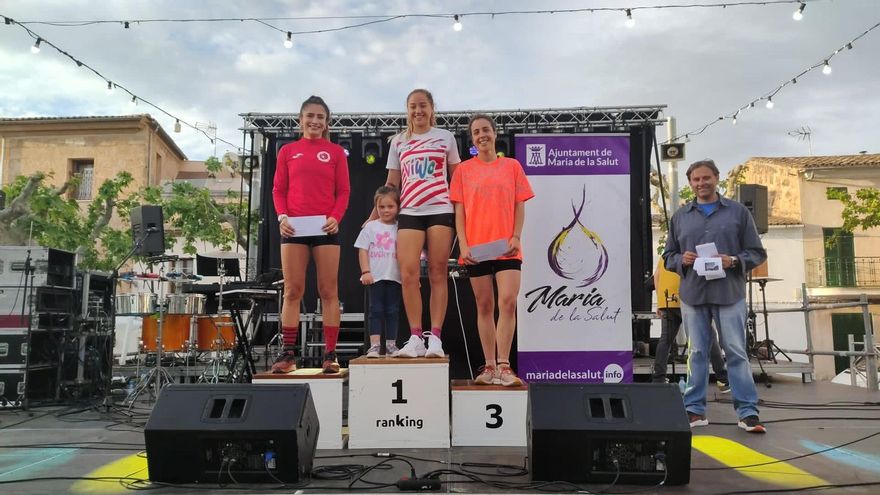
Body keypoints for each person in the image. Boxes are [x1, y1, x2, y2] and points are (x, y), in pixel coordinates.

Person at [663, 159, 767, 433]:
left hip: (729, 293)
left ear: (716, 178)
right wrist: (680, 260)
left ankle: (747, 412)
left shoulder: (738, 213)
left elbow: (757, 253)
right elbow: (667, 257)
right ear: (690, 184)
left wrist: (732, 260)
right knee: (696, 353)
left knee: (735, 352)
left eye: (706, 178)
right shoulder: (680, 216)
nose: (701, 183)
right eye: (696, 180)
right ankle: (694, 411)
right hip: (693, 294)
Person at [369, 89, 461, 358]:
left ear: (432, 108)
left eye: (423, 105)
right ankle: (415, 337)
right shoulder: (398, 141)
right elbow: (391, 183)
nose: (418, 111)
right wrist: (373, 217)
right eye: (413, 106)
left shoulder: (446, 138)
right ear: (407, 110)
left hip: (441, 209)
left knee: (437, 272)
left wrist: (461, 213)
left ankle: (436, 338)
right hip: (409, 211)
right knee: (408, 274)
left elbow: (457, 178)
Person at [450, 114, 534, 386]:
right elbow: (459, 210)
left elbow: (520, 203)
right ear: (472, 139)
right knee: (484, 306)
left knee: (508, 302)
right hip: (477, 248)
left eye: (485, 129)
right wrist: (463, 242)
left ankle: (505, 365)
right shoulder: (463, 170)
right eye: (476, 132)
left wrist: (516, 235)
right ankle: (488, 366)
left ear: (495, 133)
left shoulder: (511, 166)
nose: (481, 135)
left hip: (507, 248)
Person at [272, 95, 350, 374]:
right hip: (294, 228)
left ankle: (331, 355)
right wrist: (282, 217)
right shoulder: (287, 151)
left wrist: (335, 218)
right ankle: (289, 354)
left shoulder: (336, 152)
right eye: (310, 116)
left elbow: (343, 192)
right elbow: (278, 190)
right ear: (300, 119)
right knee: (293, 291)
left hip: (324, 229)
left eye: (320, 117)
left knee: (329, 291)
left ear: (327, 122)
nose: (315, 121)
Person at [652, 259, 729, 392]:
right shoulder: (689, 253)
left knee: (666, 340)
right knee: (709, 335)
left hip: (666, 301)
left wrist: (660, 302)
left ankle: (658, 379)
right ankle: (723, 379)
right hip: (686, 299)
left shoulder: (666, 255)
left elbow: (657, 275)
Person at [355, 186, 402, 358]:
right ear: (376, 207)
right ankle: (375, 345)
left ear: (398, 207)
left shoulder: (401, 228)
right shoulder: (370, 227)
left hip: (395, 277)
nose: (386, 210)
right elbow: (362, 250)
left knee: (392, 310)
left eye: (390, 206)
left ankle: (391, 344)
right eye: (381, 207)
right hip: (375, 277)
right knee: (375, 310)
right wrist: (366, 271)